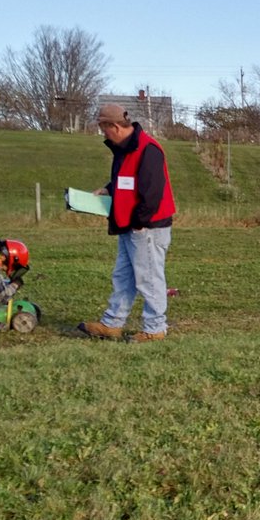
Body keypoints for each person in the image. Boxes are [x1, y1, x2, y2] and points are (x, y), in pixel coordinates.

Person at [77, 103, 176, 343]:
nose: (103, 133)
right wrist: (108, 189)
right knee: (123, 277)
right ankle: (112, 324)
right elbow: (127, 180)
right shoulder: (125, 149)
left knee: (149, 278)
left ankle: (155, 327)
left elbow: (152, 193)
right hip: (129, 225)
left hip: (147, 228)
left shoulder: (148, 149)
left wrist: (139, 222)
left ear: (114, 126)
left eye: (104, 128)